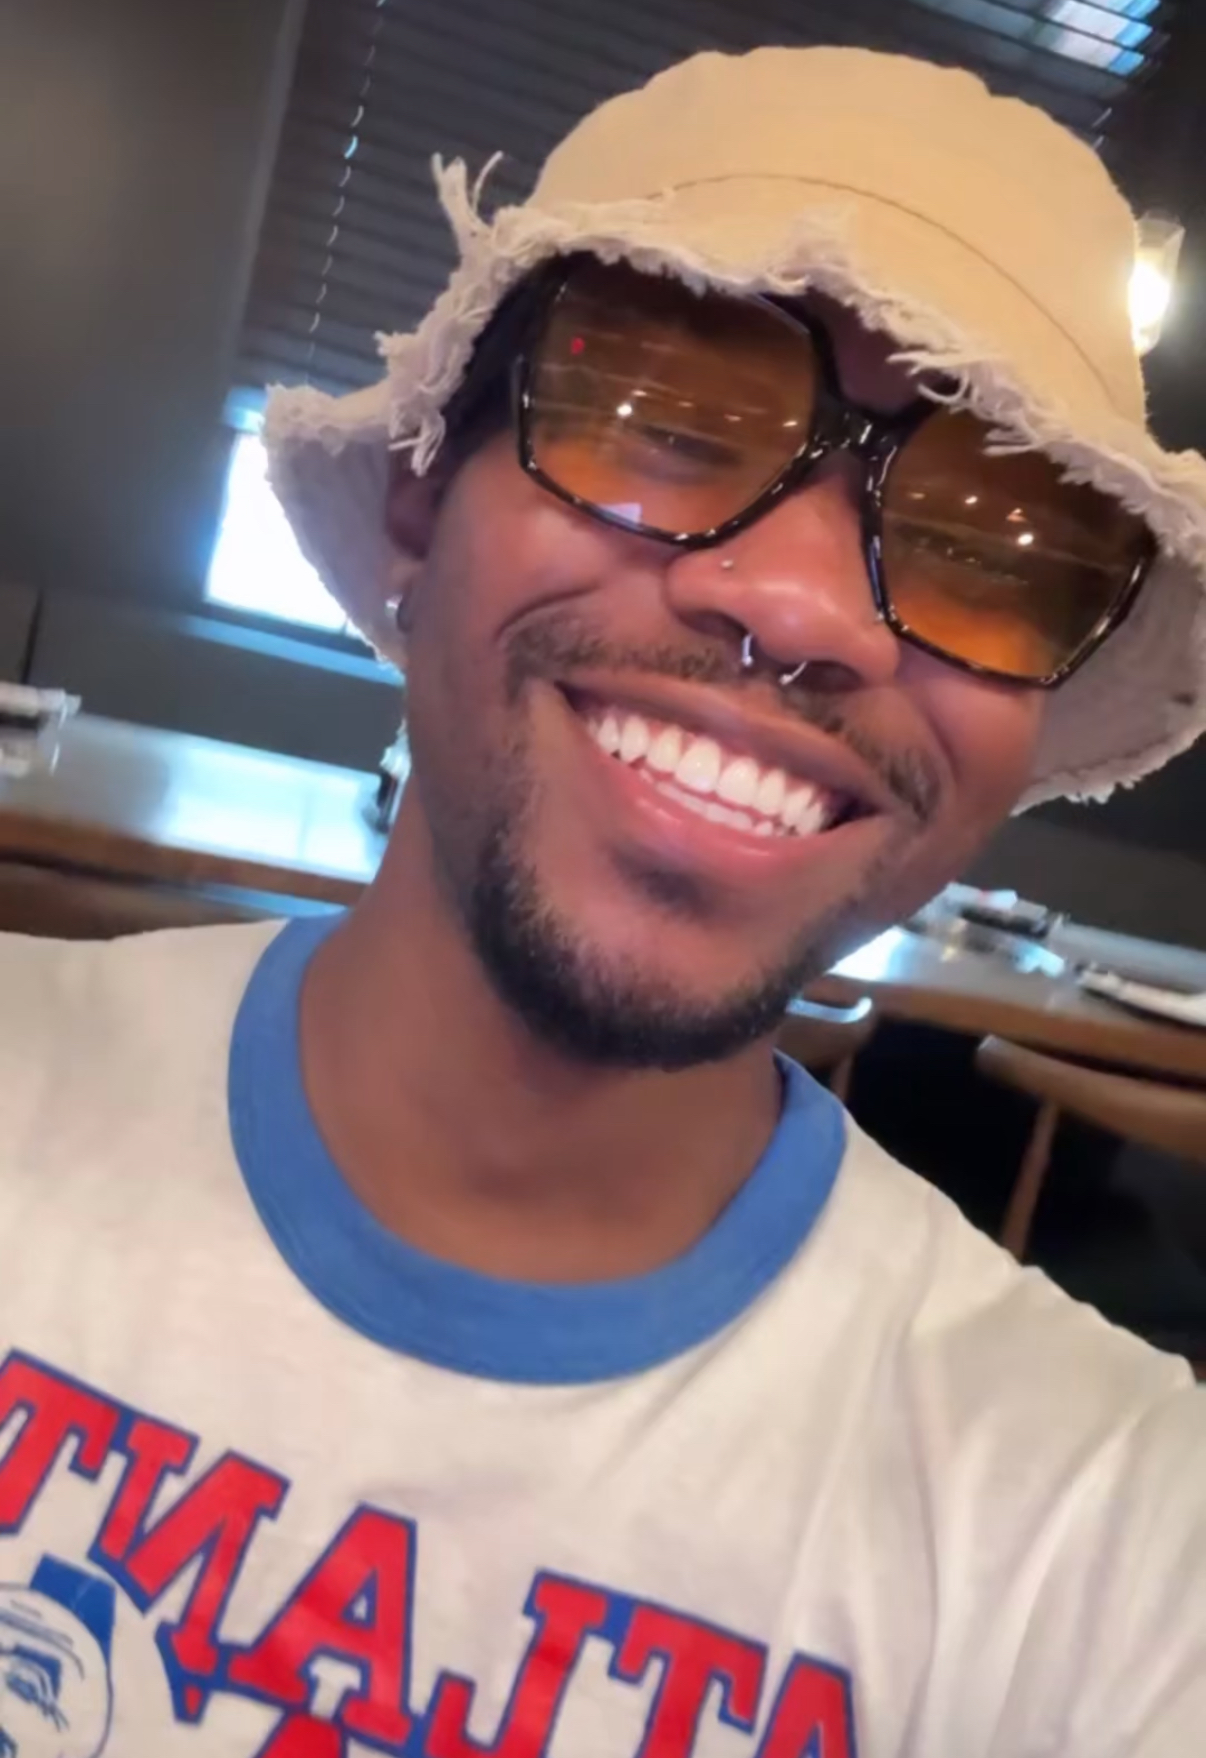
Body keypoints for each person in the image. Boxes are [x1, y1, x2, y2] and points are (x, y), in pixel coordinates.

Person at [1, 42, 1204, 1758]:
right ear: (421, 498)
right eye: (667, 422)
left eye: (991, 549)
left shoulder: (1108, 1542)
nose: (800, 608)